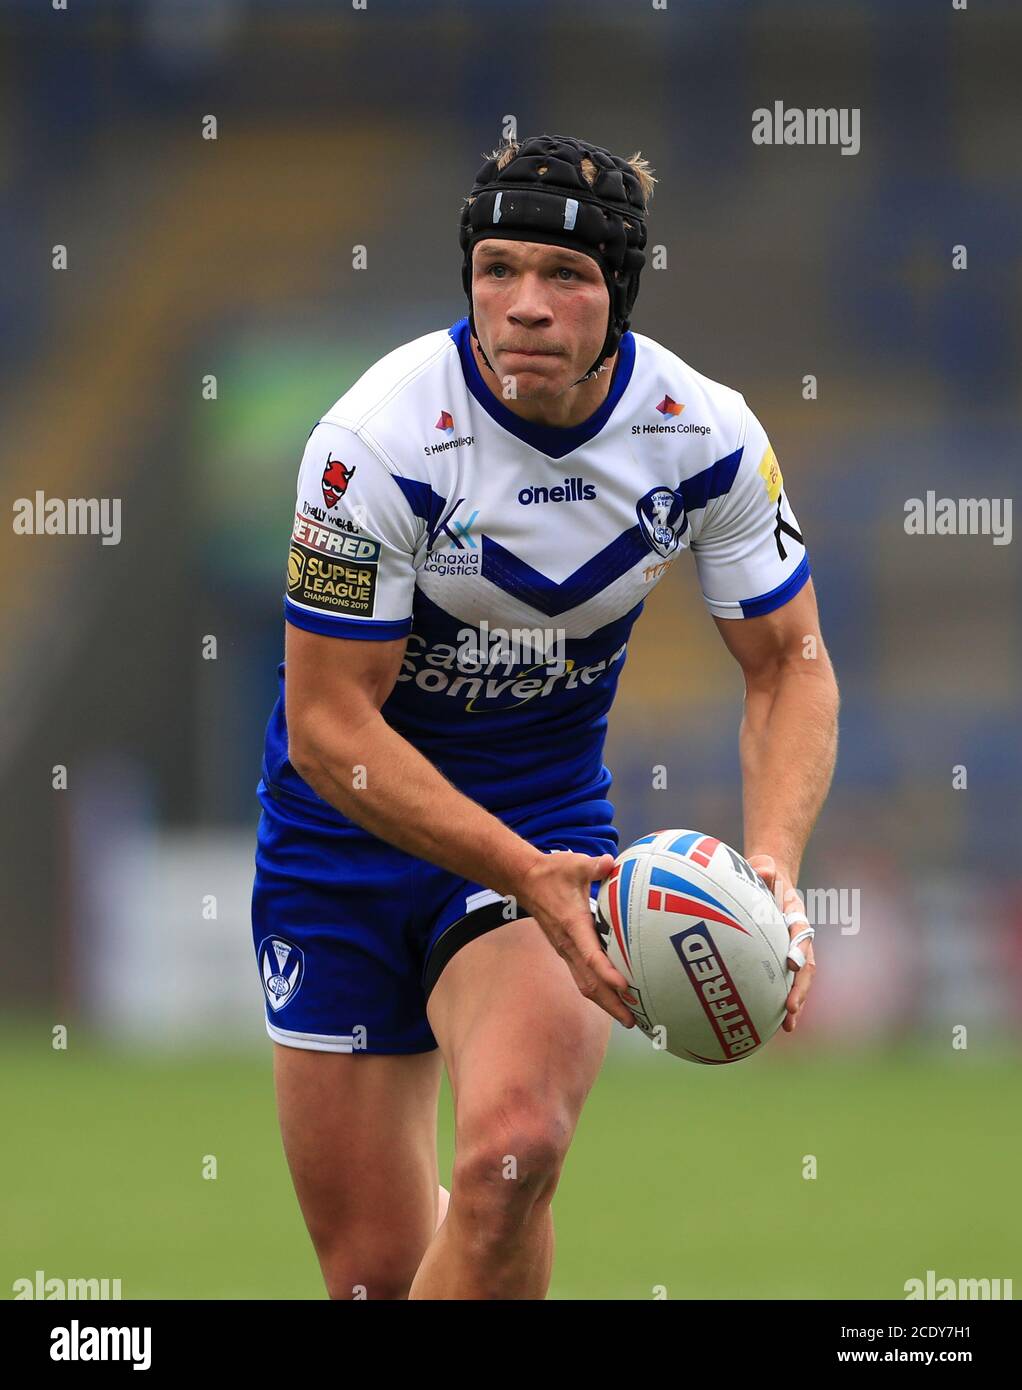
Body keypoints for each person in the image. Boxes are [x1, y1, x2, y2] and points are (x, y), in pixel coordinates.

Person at [251, 133, 838, 1300]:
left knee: (511, 1157)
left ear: (616, 295)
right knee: (374, 1274)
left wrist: (771, 863)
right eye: (497, 268)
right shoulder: (372, 444)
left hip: (548, 818)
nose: (523, 305)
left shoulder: (704, 435)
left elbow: (787, 664)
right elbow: (326, 727)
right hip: (342, 835)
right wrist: (520, 870)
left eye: (563, 276)